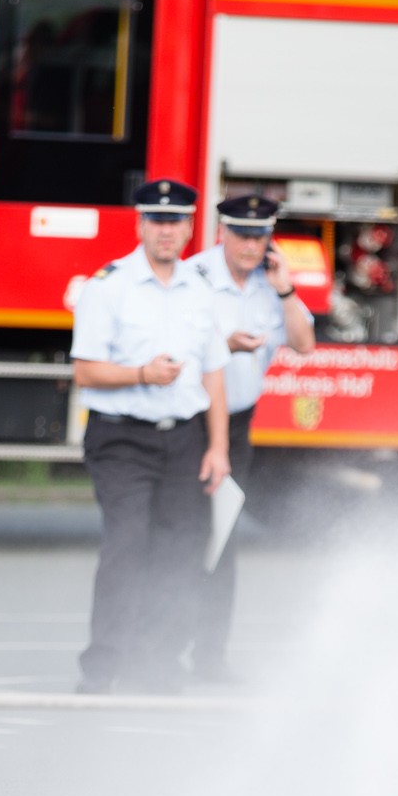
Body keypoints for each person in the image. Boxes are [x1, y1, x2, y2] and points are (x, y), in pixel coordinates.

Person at [68, 178, 231, 694]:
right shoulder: (108, 286)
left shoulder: (201, 290)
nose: (167, 231)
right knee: (127, 543)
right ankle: (104, 665)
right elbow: (86, 372)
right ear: (140, 225)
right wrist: (141, 374)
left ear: (189, 229)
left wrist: (219, 447)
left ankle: (156, 663)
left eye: (176, 221)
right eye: (157, 221)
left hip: (184, 437)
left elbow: (214, 374)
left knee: (178, 551)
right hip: (122, 439)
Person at [183, 193, 316, 683]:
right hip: (188, 424)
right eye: (241, 233)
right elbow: (174, 349)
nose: (250, 245)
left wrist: (285, 291)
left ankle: (209, 658)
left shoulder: (269, 287)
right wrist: (223, 344)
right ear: (223, 232)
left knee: (222, 540)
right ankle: (158, 652)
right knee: (178, 536)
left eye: (260, 236)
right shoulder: (194, 277)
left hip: (237, 425)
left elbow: (304, 344)